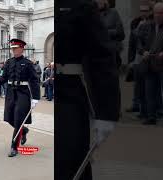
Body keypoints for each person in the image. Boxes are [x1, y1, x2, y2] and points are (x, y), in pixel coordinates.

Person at [57, 0, 120, 179]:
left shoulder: (81, 6)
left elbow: (102, 59)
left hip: (68, 96)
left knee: (70, 161)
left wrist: (106, 113)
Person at [0, 39, 40, 157]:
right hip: (11, 93)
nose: (13, 50)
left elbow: (34, 80)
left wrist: (35, 97)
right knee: (9, 117)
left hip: (23, 93)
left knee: (18, 118)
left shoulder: (28, 63)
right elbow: (4, 77)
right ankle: (24, 130)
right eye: (12, 48)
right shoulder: (9, 62)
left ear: (22, 49)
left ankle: (14, 147)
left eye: (15, 48)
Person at [137, 2, 163, 125]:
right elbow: (139, 42)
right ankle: (151, 116)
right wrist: (143, 52)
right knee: (149, 91)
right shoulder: (146, 26)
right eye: (156, 13)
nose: (158, 15)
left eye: (161, 13)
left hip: (162, 65)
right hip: (149, 64)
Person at [96, 0, 125, 68]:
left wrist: (105, 32)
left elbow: (120, 31)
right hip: (98, 51)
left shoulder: (113, 13)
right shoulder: (94, 14)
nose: (99, 2)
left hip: (112, 50)